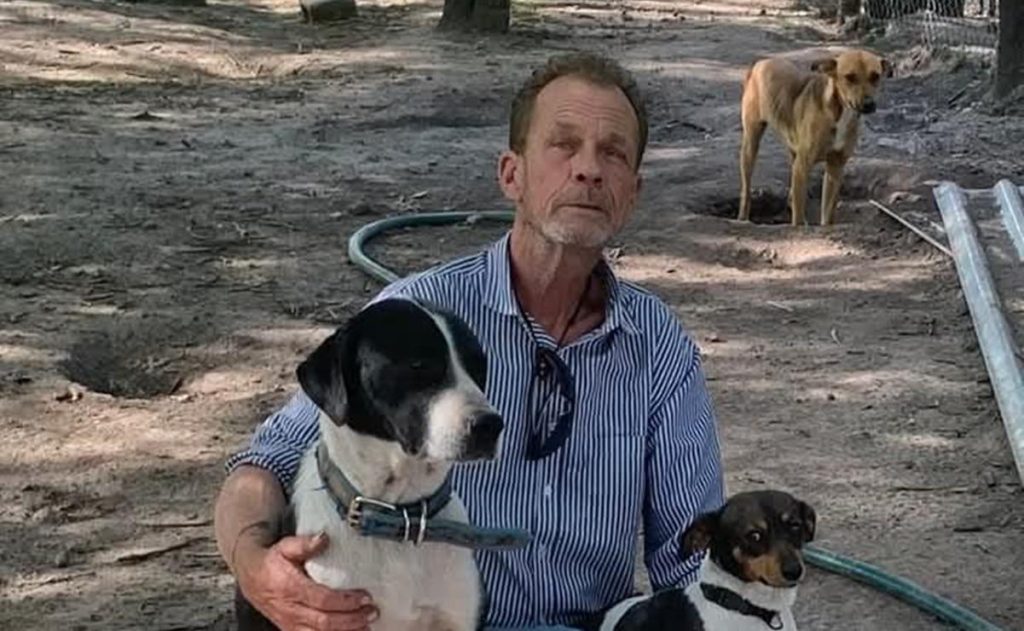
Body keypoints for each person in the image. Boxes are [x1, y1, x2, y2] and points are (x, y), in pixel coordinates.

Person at [213, 50, 725, 631]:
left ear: (632, 192)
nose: (589, 169)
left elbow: (693, 557)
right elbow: (264, 464)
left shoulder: (658, 346)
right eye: (563, 145)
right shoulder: (417, 314)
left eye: (613, 153)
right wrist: (254, 567)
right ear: (511, 174)